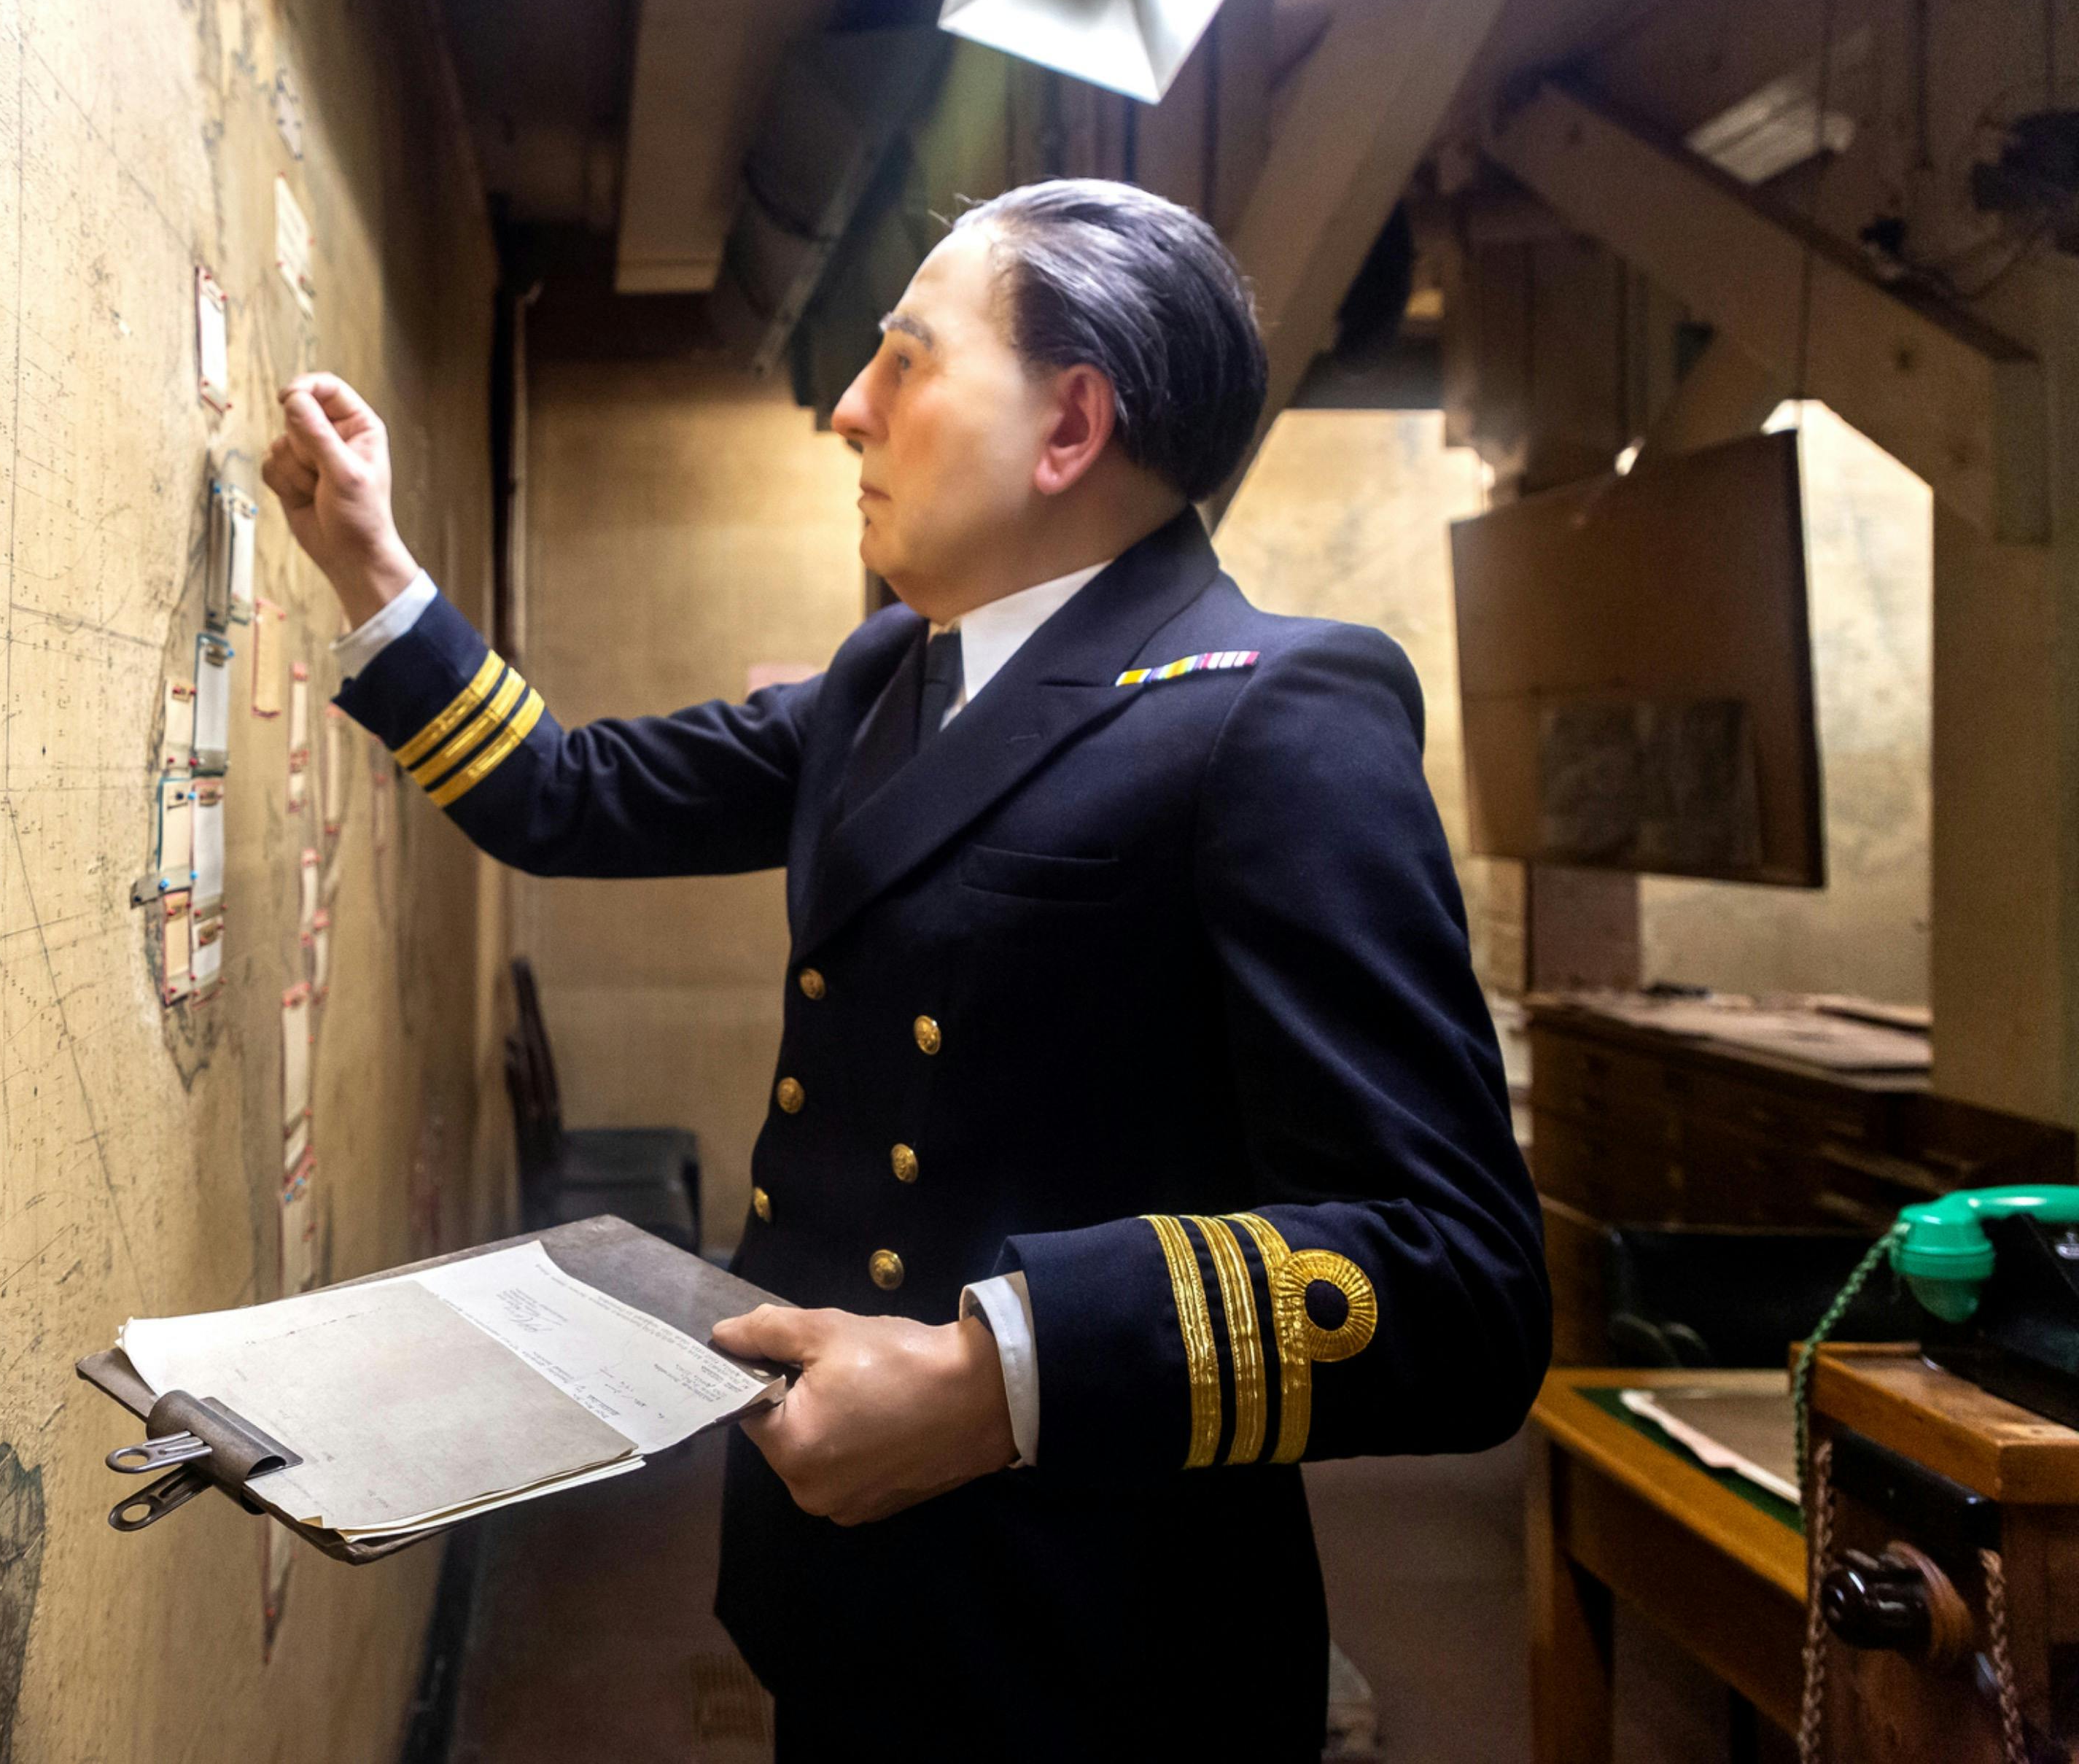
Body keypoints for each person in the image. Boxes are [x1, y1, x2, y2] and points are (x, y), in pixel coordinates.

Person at [263, 179, 1547, 1759]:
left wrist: (997, 1374)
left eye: (905, 360)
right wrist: (373, 569)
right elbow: (569, 798)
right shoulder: (891, 675)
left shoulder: (1273, 711)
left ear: (1068, 425)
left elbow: (1461, 1281)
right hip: (845, 1583)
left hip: (1098, 1646)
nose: (847, 410)